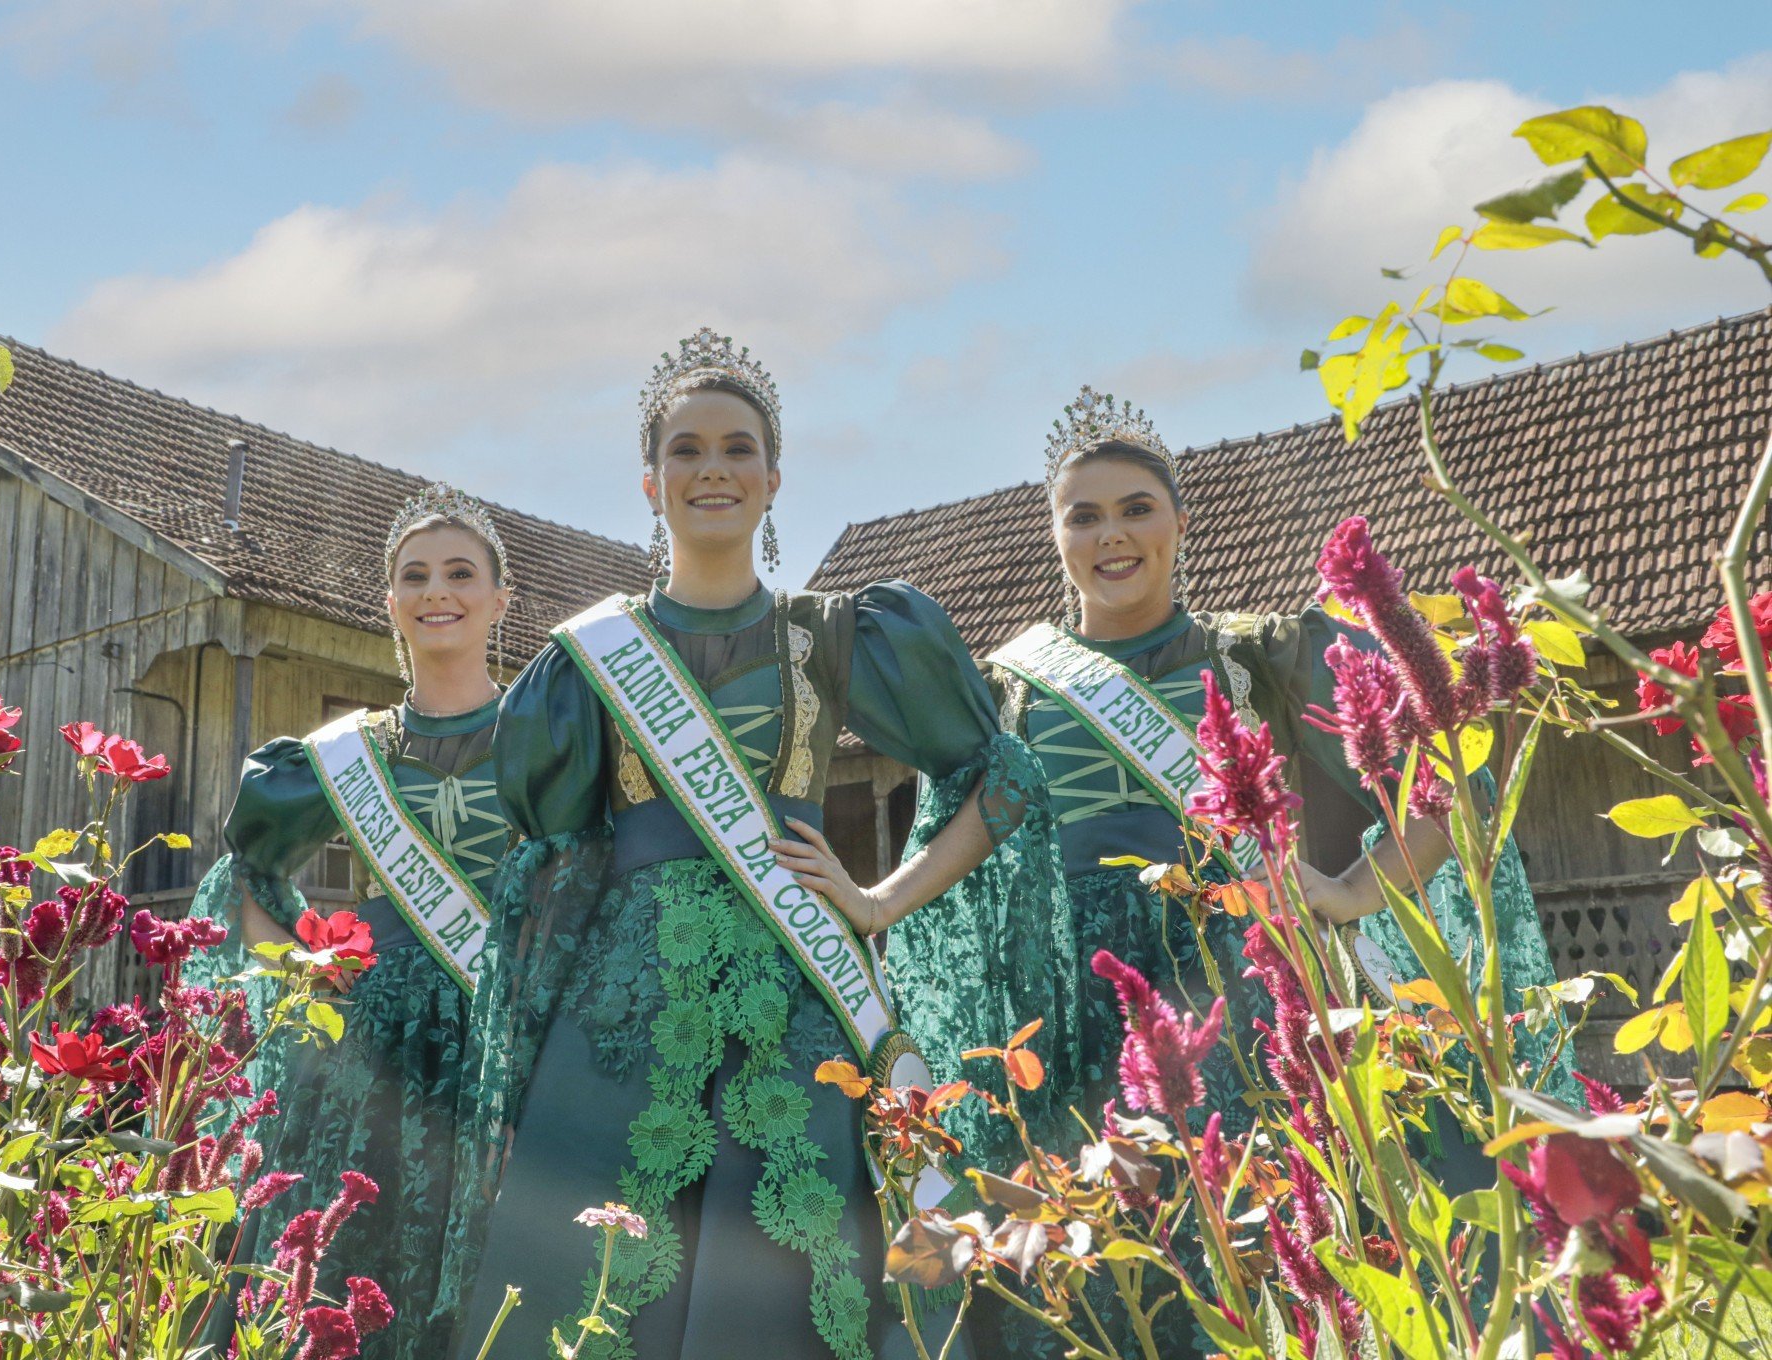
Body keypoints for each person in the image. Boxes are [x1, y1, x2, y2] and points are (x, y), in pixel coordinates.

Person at [867, 389, 1578, 1357]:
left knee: (1251, 1234)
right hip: (1067, 1002)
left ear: (1178, 522)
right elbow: (969, 833)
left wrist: (1353, 891)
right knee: (1087, 1247)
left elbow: (1450, 777)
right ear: (1055, 537)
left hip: (1231, 990)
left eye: (1135, 508)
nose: (1111, 534)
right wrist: (871, 903)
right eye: (1084, 515)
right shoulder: (1009, 687)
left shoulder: (1263, 653)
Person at [445, 329, 1062, 1360]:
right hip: (625, 1015)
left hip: (805, 999)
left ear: (775, 477)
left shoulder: (841, 634)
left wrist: (880, 901)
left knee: (796, 1275)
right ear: (650, 481)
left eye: (738, 448)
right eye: (687, 450)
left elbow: (1004, 774)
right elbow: (546, 862)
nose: (714, 468)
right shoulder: (583, 666)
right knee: (593, 1283)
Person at [191, 484, 515, 1359]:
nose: (436, 591)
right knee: (338, 1279)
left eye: (459, 573)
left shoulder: (547, 731)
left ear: (499, 599)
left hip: (510, 1031)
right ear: (390, 604)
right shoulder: (349, 753)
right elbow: (248, 871)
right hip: (369, 1051)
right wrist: (300, 974)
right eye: (415, 576)